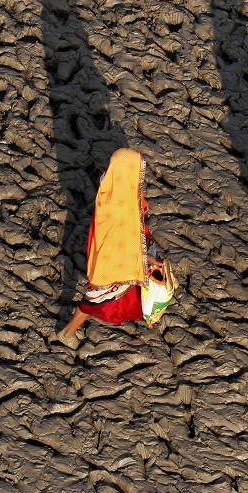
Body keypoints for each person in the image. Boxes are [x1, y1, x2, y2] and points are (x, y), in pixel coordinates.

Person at [53, 148, 172, 349]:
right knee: (95, 296)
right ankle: (67, 332)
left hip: (110, 252)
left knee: (109, 292)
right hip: (113, 259)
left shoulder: (111, 184)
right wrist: (151, 262)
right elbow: (127, 246)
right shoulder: (119, 211)